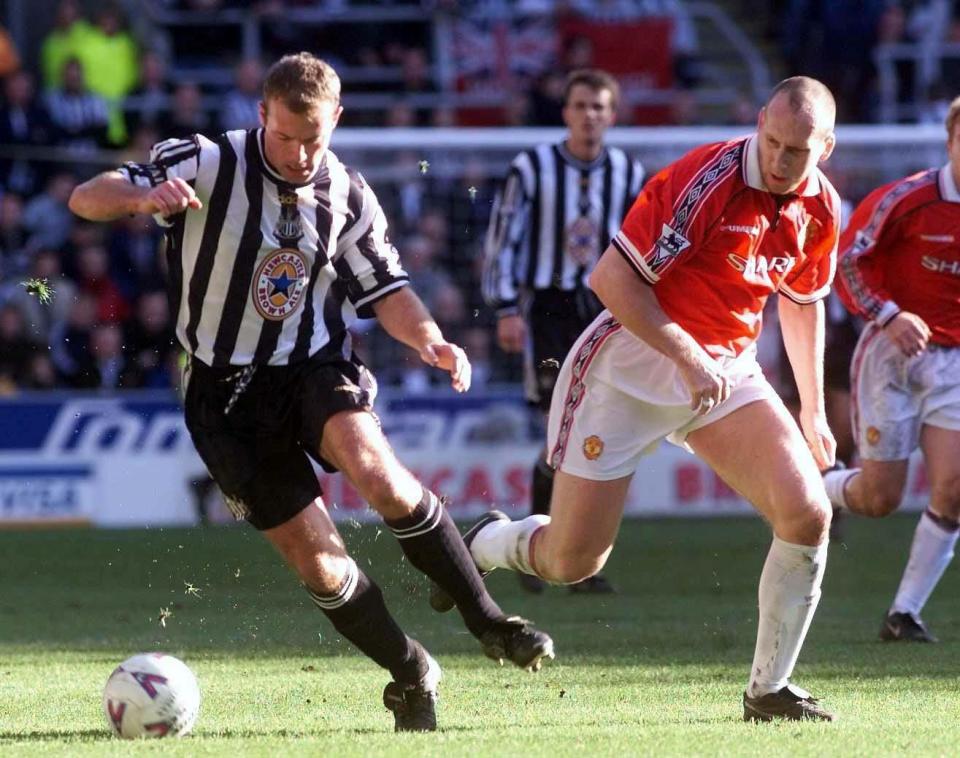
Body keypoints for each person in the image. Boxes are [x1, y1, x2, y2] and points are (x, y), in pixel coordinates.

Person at [68, 52, 553, 733]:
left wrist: (430, 339)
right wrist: (142, 198)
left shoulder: (349, 193)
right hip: (224, 397)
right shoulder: (203, 162)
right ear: (261, 114)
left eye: (314, 140)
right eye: (286, 136)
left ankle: (491, 621)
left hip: (312, 368)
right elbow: (85, 197)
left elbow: (388, 291)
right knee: (323, 565)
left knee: (377, 471)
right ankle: (412, 671)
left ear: (337, 122)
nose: (299, 154)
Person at [439, 76, 842, 721]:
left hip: (724, 373)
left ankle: (768, 691)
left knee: (807, 515)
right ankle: (487, 542)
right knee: (572, 561)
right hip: (627, 368)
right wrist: (685, 356)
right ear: (760, 119)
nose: (780, 160)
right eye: (772, 141)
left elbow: (802, 303)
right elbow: (612, 280)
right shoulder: (707, 180)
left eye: (798, 150)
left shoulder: (821, 206)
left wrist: (813, 408)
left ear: (826, 147)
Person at [482, 68, 643, 595]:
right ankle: (539, 546)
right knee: (561, 432)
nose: (589, 115)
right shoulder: (531, 168)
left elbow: (642, 247)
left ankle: (574, 562)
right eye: (580, 105)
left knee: (596, 431)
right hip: (550, 311)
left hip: (605, 311)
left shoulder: (627, 172)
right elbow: (503, 239)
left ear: (611, 114)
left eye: (599, 106)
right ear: (565, 111)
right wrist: (506, 307)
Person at [822, 96, 960, 644]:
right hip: (891, 356)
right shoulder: (908, 198)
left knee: (953, 490)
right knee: (881, 498)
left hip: (953, 364)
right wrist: (890, 313)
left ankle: (903, 613)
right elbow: (848, 263)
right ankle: (812, 485)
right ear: (950, 139)